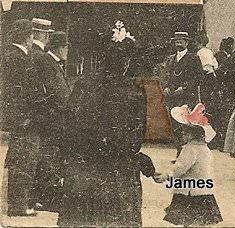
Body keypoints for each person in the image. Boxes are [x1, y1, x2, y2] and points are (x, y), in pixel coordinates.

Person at [58, 21, 157, 228]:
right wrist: (141, 160)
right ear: (127, 62)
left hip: (83, 173)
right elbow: (133, 141)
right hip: (118, 175)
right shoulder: (134, 93)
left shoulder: (84, 84)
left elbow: (67, 125)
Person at [2, 18, 45, 217]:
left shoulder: (8, 56)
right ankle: (19, 206)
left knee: (17, 160)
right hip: (26, 120)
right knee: (25, 161)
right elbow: (30, 92)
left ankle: (16, 203)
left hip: (16, 119)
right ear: (28, 37)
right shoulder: (22, 58)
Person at [156, 103, 223, 227]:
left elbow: (180, 167)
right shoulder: (205, 149)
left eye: (185, 132)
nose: (182, 134)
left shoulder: (190, 149)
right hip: (204, 190)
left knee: (188, 219)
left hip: (189, 192)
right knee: (200, 221)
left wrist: (167, 175)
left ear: (193, 135)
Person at [33, 30, 72, 212]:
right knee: (49, 159)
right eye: (65, 47)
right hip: (52, 119)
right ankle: (44, 197)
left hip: (56, 119)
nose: (66, 51)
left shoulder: (53, 63)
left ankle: (47, 196)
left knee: (53, 159)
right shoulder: (47, 63)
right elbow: (55, 92)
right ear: (58, 47)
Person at [159, 31, 205, 151]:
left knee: (186, 124)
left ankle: (187, 153)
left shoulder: (194, 58)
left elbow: (199, 77)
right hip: (172, 97)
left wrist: (184, 88)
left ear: (187, 42)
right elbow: (164, 76)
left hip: (186, 97)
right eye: (176, 41)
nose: (178, 43)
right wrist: (165, 87)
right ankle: (179, 152)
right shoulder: (170, 59)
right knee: (175, 125)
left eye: (181, 41)